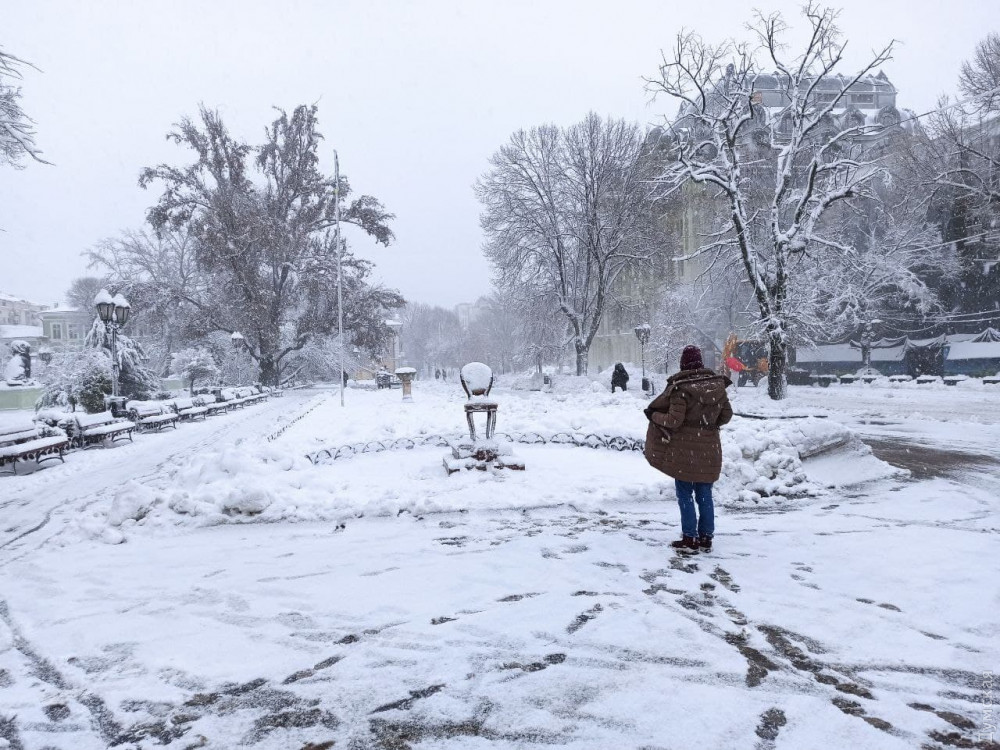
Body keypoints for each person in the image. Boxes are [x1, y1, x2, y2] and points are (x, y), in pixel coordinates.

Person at [643, 345, 733, 553]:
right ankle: (706, 537)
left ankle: (690, 538)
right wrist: (708, 426)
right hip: (709, 449)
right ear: (700, 362)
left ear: (683, 364)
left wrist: (653, 415)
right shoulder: (716, 386)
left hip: (684, 452)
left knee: (685, 494)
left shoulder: (681, 388)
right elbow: (726, 415)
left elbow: (673, 420)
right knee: (705, 494)